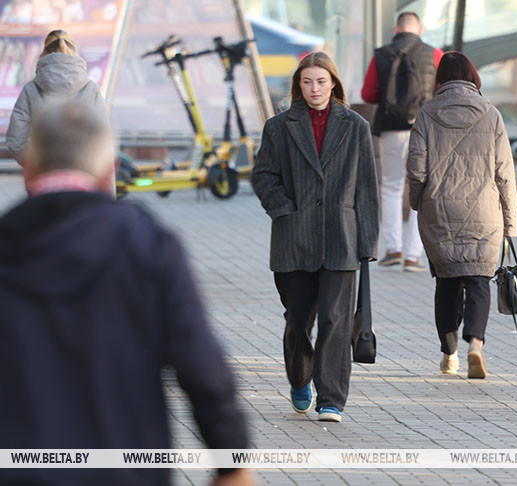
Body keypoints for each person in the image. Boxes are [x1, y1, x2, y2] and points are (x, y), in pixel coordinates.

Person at [0, 102, 253, 486]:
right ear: (107, 171)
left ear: (29, 167)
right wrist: (232, 461)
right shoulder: (147, 243)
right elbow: (201, 364)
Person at [252, 52, 379, 423]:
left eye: (321, 81)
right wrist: (284, 210)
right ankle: (299, 376)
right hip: (295, 238)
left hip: (341, 237)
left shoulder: (355, 126)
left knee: (336, 321)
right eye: (307, 82)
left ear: (334, 84)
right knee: (297, 321)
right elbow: (263, 176)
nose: (315, 89)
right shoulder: (279, 127)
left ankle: (332, 399)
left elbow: (367, 189)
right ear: (298, 85)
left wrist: (367, 243)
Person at [407, 52, 517, 379]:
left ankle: (449, 354)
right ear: (473, 77)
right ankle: (476, 345)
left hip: (439, 210)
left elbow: (416, 170)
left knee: (447, 282)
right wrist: (510, 224)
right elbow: (505, 174)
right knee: (479, 281)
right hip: (484, 211)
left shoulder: (426, 114)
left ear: (439, 80)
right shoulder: (492, 115)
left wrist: (418, 203)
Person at [361, 11, 443, 272]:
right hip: (424, 128)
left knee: (391, 187)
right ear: (419, 29)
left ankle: (392, 249)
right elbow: (442, 90)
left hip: (391, 129)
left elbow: (368, 94)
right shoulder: (434, 54)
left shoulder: (381, 54)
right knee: (422, 187)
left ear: (397, 28)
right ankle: (413, 256)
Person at [7, 30, 106, 169]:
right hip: (84, 176)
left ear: (44, 52)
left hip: (42, 179)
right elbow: (103, 140)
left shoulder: (31, 89)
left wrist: (37, 166)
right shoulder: (91, 89)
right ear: (74, 51)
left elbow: (15, 140)